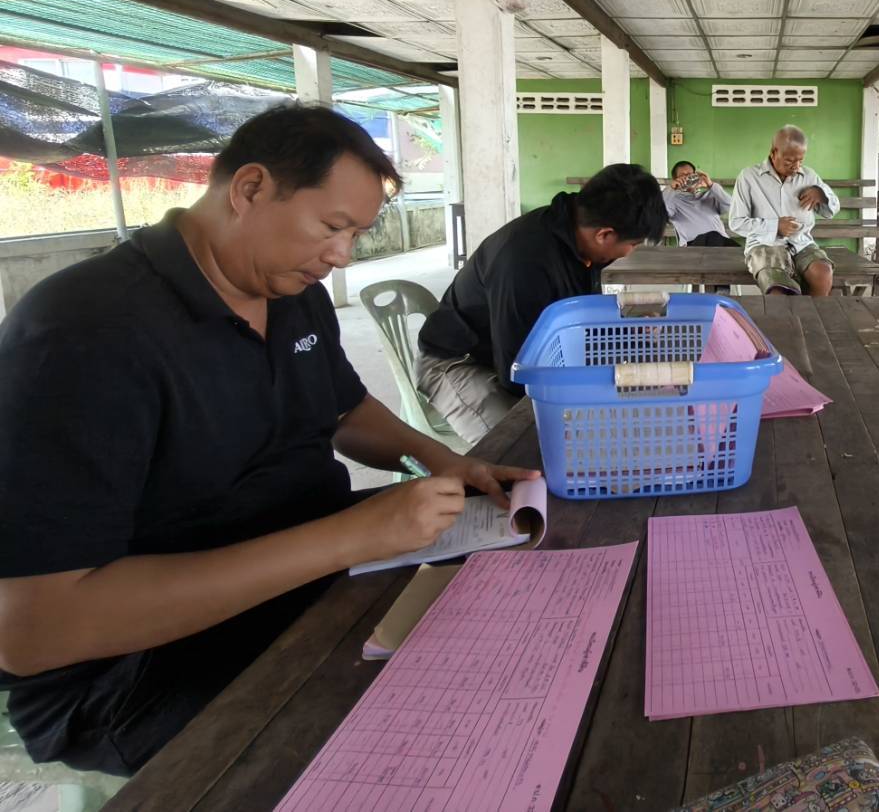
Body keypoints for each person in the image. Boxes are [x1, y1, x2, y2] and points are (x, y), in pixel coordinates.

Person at [0, 105, 540, 776]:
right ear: (250, 188)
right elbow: (33, 631)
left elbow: (344, 407)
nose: (341, 255)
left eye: (356, 234)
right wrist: (349, 537)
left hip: (306, 572)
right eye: (332, 226)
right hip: (136, 672)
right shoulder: (85, 333)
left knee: (512, 613)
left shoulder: (288, 289)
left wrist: (446, 459)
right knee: (428, 746)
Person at [417, 164, 667, 441]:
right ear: (604, 234)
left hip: (509, 354)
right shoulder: (524, 262)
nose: (630, 253)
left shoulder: (579, 243)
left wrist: (626, 337)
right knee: (523, 449)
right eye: (633, 244)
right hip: (460, 364)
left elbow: (578, 321)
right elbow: (517, 374)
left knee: (593, 424)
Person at [730, 126, 839, 296]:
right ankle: (787, 321)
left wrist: (822, 195)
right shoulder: (749, 177)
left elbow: (832, 210)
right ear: (774, 153)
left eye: (800, 160)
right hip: (765, 245)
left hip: (802, 243)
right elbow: (736, 222)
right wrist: (775, 227)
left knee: (822, 273)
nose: (796, 166)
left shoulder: (809, 176)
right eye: (789, 161)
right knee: (778, 288)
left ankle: (814, 319)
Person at [663, 160, 736, 248]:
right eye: (683, 176)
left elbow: (731, 206)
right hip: (693, 246)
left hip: (720, 242)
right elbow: (661, 213)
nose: (687, 178)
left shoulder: (709, 196)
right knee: (712, 235)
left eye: (690, 174)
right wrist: (671, 189)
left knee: (744, 253)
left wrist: (711, 185)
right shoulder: (673, 200)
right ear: (676, 180)